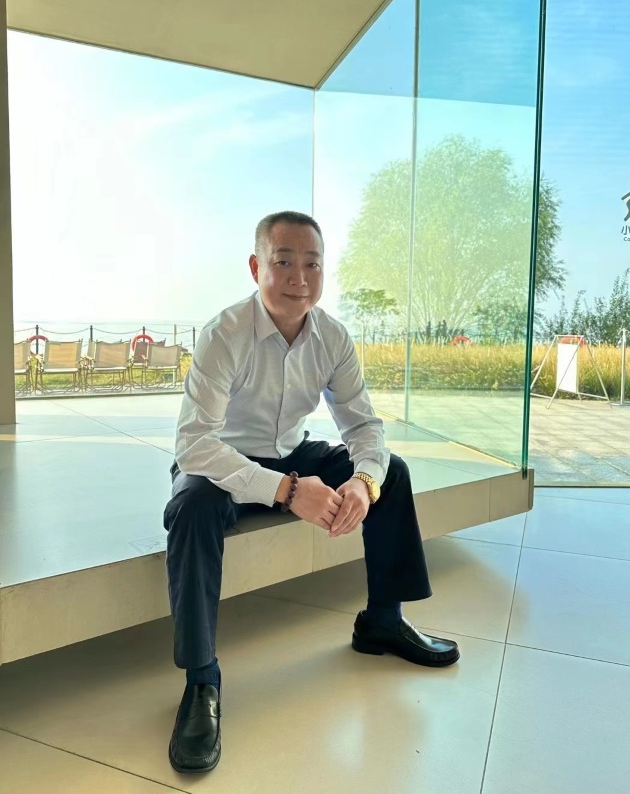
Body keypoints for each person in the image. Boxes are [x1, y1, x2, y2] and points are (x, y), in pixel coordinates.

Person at [163, 211, 460, 775]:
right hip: (222, 461)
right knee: (192, 507)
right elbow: (195, 443)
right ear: (256, 267)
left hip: (293, 452)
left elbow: (364, 427)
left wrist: (364, 482)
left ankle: (382, 620)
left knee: (391, 472)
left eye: (312, 263)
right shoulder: (223, 334)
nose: (299, 277)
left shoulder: (332, 336)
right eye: (283, 261)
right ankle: (202, 680)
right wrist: (286, 490)